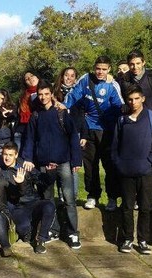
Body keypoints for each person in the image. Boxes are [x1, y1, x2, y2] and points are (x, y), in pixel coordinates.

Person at [22, 79, 82, 250]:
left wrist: (76, 160)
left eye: (46, 94)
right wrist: (27, 158)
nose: (43, 97)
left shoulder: (61, 113)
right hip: (43, 165)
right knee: (48, 200)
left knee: (69, 199)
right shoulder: (35, 116)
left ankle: (73, 233)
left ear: (51, 95)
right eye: (40, 94)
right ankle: (52, 230)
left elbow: (73, 137)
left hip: (63, 162)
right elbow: (30, 139)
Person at [60, 56, 123, 211]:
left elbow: (119, 107)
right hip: (88, 129)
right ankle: (92, 195)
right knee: (90, 165)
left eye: (103, 69)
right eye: (98, 68)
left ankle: (112, 197)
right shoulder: (86, 79)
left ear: (109, 69)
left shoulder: (112, 85)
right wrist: (63, 105)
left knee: (109, 165)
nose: (100, 72)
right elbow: (74, 94)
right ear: (94, 67)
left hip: (106, 130)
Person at [111, 85, 152, 254]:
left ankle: (143, 240)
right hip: (126, 171)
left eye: (136, 99)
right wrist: (119, 164)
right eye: (130, 99)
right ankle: (127, 238)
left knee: (145, 207)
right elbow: (115, 145)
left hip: (146, 171)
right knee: (126, 207)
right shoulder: (122, 119)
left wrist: (150, 162)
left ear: (143, 99)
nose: (133, 102)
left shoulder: (150, 116)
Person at [0, 142, 55, 254]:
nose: (7, 158)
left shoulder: (25, 166)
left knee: (49, 206)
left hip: (34, 201)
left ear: (16, 155)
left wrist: (50, 172)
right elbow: (14, 195)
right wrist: (20, 183)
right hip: (19, 206)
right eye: (5, 154)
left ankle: (41, 240)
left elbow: (43, 181)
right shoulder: (2, 174)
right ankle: (34, 230)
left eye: (10, 155)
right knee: (25, 232)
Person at [51, 67, 86, 241]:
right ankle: (60, 220)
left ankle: (72, 222)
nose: (69, 78)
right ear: (61, 76)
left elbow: (83, 116)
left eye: (73, 76)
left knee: (72, 172)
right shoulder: (54, 93)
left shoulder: (79, 93)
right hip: (58, 136)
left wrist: (84, 135)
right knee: (60, 181)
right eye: (66, 75)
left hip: (75, 134)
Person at [15, 71, 40, 148]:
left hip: (39, 131)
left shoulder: (50, 92)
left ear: (37, 77)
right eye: (27, 79)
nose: (30, 79)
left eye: (32, 75)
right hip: (23, 130)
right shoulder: (22, 97)